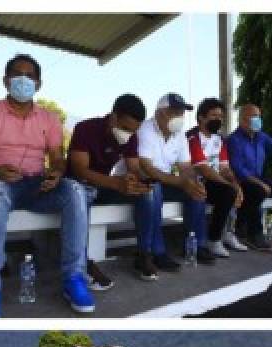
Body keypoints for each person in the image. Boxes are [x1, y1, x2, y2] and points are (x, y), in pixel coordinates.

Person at [0, 53, 93, 317]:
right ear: (5, 80)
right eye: (17, 74)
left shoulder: (49, 119)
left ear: (39, 83)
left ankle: (74, 278)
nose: (23, 80)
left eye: (30, 76)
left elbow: (58, 159)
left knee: (75, 191)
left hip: (38, 186)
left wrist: (56, 174)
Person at [116, 93, 215, 275]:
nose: (179, 116)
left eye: (182, 112)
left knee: (196, 191)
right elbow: (145, 167)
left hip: (164, 180)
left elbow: (185, 167)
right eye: (174, 111)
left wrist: (193, 182)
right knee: (155, 188)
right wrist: (180, 181)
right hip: (136, 180)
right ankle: (157, 251)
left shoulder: (179, 135)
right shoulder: (145, 129)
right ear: (160, 113)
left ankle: (195, 245)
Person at [66, 93, 152, 288]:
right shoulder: (85, 129)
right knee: (83, 193)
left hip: (104, 186)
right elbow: (80, 170)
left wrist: (140, 181)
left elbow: (134, 167)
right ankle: (83, 263)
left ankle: (143, 253)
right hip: (77, 187)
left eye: (133, 130)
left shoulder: (130, 137)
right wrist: (116, 183)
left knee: (146, 194)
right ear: (113, 117)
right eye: (125, 128)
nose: (128, 134)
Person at [226, 104, 272, 250]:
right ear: (242, 120)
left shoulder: (261, 137)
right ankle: (253, 233)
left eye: (259, 116)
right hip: (241, 181)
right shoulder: (234, 140)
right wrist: (260, 183)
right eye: (254, 117)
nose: (258, 120)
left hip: (258, 179)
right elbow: (238, 168)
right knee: (259, 190)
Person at [186, 98, 244, 259]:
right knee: (228, 192)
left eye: (220, 116)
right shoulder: (192, 138)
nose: (218, 119)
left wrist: (235, 184)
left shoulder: (219, 140)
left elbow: (225, 168)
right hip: (196, 183)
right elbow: (202, 168)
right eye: (214, 115)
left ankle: (228, 233)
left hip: (214, 182)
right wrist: (231, 186)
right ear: (201, 118)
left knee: (235, 189)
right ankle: (214, 239)